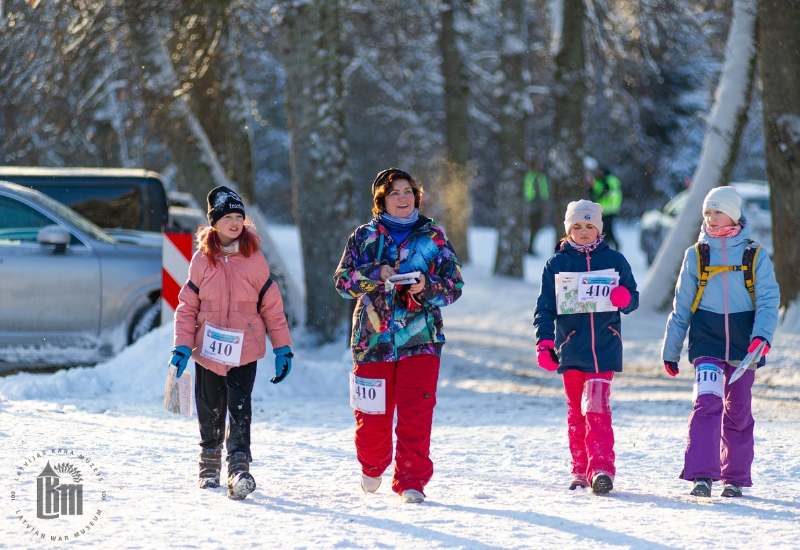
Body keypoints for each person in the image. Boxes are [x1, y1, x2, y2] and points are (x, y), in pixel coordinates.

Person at [333, 168, 464, 504]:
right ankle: (373, 464)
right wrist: (376, 275)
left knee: (416, 415)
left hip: (421, 341)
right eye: (394, 193)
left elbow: (455, 287)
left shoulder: (433, 236)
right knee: (372, 417)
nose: (403, 198)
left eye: (408, 192)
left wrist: (427, 286)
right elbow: (344, 283)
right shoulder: (363, 237)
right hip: (372, 341)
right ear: (382, 201)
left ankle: (411, 480)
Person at [170, 186, 293, 500]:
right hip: (208, 350)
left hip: (245, 349)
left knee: (240, 408)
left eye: (239, 216)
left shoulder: (254, 259)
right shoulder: (201, 260)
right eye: (228, 217)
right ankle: (209, 461)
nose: (235, 222)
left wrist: (282, 347)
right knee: (209, 407)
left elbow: (272, 306)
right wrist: (182, 346)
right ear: (214, 223)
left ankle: (239, 466)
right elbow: (187, 306)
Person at [661, 186, 779, 498]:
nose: (711, 219)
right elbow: (682, 305)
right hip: (707, 341)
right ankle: (701, 476)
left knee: (738, 411)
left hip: (745, 344)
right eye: (707, 213)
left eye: (718, 211)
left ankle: (735, 478)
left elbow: (768, 302)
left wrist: (762, 338)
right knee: (706, 404)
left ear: (734, 214)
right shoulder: (696, 255)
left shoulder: (755, 255)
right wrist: (671, 349)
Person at [533, 200, 639, 494]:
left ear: (598, 229)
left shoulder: (615, 261)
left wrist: (623, 298)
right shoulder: (557, 264)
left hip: (604, 349)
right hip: (571, 350)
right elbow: (545, 308)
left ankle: (601, 468)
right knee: (576, 413)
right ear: (567, 230)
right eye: (576, 227)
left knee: (597, 409)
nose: (583, 232)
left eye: (589, 226)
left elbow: (633, 298)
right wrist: (544, 342)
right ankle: (580, 469)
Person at [585, 157, 622, 250]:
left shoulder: (608, 180)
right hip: (611, 209)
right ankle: (612, 246)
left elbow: (602, 191)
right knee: (608, 230)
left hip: (606, 209)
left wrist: (593, 188)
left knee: (606, 231)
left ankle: (610, 247)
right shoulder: (613, 179)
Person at [524, 158, 551, 255]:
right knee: (535, 226)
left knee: (533, 227)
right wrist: (544, 204)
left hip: (532, 205)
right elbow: (539, 192)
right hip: (535, 206)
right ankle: (529, 247)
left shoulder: (532, 175)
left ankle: (529, 247)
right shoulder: (537, 176)